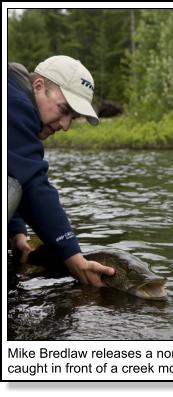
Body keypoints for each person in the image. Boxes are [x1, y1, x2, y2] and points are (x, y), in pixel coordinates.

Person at [8, 55, 115, 286]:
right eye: (64, 110)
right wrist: (75, 260)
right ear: (38, 86)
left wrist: (17, 233)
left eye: (73, 117)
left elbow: (15, 169)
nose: (65, 125)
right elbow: (32, 185)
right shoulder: (14, 104)